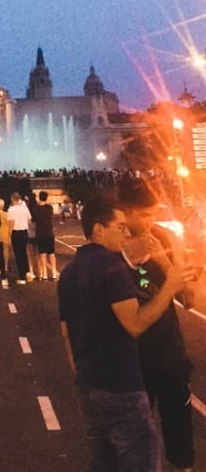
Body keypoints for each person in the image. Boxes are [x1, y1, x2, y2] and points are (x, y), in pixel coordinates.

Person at [58, 195, 195, 472]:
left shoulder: (70, 271)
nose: (150, 223)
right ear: (101, 227)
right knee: (142, 456)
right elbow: (134, 324)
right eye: (121, 224)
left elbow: (66, 334)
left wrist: (82, 375)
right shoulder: (112, 264)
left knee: (109, 457)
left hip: (125, 373)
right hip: (125, 378)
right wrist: (167, 284)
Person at [119, 180, 197, 472]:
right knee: (135, 436)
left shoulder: (166, 238)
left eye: (154, 214)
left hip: (169, 354)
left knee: (179, 431)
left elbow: (188, 299)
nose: (150, 221)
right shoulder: (115, 246)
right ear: (125, 211)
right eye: (143, 215)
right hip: (131, 357)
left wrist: (164, 261)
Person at [7, 192, 32, 283]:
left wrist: (9, 236)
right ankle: (27, 272)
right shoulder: (24, 208)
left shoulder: (11, 210)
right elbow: (29, 220)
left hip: (16, 232)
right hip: (24, 231)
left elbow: (11, 224)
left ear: (13, 199)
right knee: (24, 253)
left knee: (18, 255)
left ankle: (22, 277)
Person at [33, 190, 58, 280]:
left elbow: (34, 220)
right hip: (49, 233)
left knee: (42, 254)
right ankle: (54, 273)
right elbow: (51, 216)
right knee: (51, 253)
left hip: (40, 233)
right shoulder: (49, 207)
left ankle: (44, 274)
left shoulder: (36, 208)